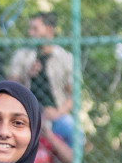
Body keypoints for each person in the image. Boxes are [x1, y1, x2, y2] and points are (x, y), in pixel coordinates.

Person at [8, 13, 75, 145]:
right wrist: (26, 75)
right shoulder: (22, 55)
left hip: (56, 115)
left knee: (72, 129)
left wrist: (58, 112)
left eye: (35, 29)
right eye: (30, 29)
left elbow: (73, 95)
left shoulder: (65, 57)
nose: (30, 33)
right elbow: (9, 88)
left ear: (49, 30)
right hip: (25, 115)